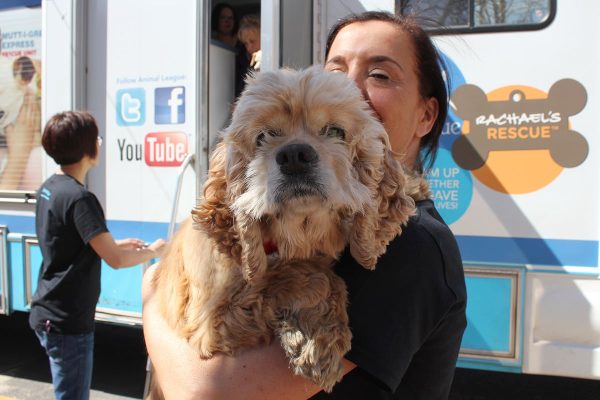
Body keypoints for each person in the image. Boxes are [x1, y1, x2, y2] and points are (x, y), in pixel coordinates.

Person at [142, 11, 466, 400]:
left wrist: (150, 300)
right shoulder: (311, 227)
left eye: (379, 75)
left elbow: (202, 392)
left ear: (426, 114)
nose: (351, 87)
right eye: (336, 70)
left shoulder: (411, 243)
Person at [29, 111, 166, 400]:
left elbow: (68, 240)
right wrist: (153, 252)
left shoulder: (50, 188)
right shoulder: (80, 199)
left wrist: (117, 243)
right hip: (68, 321)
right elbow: (114, 260)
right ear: (85, 147)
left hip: (48, 310)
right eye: (97, 138)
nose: (100, 144)